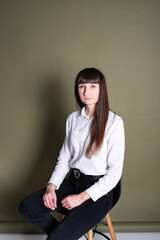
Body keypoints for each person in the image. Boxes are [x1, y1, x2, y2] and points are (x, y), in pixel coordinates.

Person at [19, 67, 125, 240]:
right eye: (82, 86)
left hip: (99, 192)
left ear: (101, 89)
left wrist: (81, 198)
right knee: (27, 208)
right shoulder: (72, 119)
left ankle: (62, 235)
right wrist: (51, 188)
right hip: (73, 182)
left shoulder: (114, 122)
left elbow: (114, 174)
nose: (86, 91)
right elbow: (65, 158)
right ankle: (62, 234)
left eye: (92, 86)